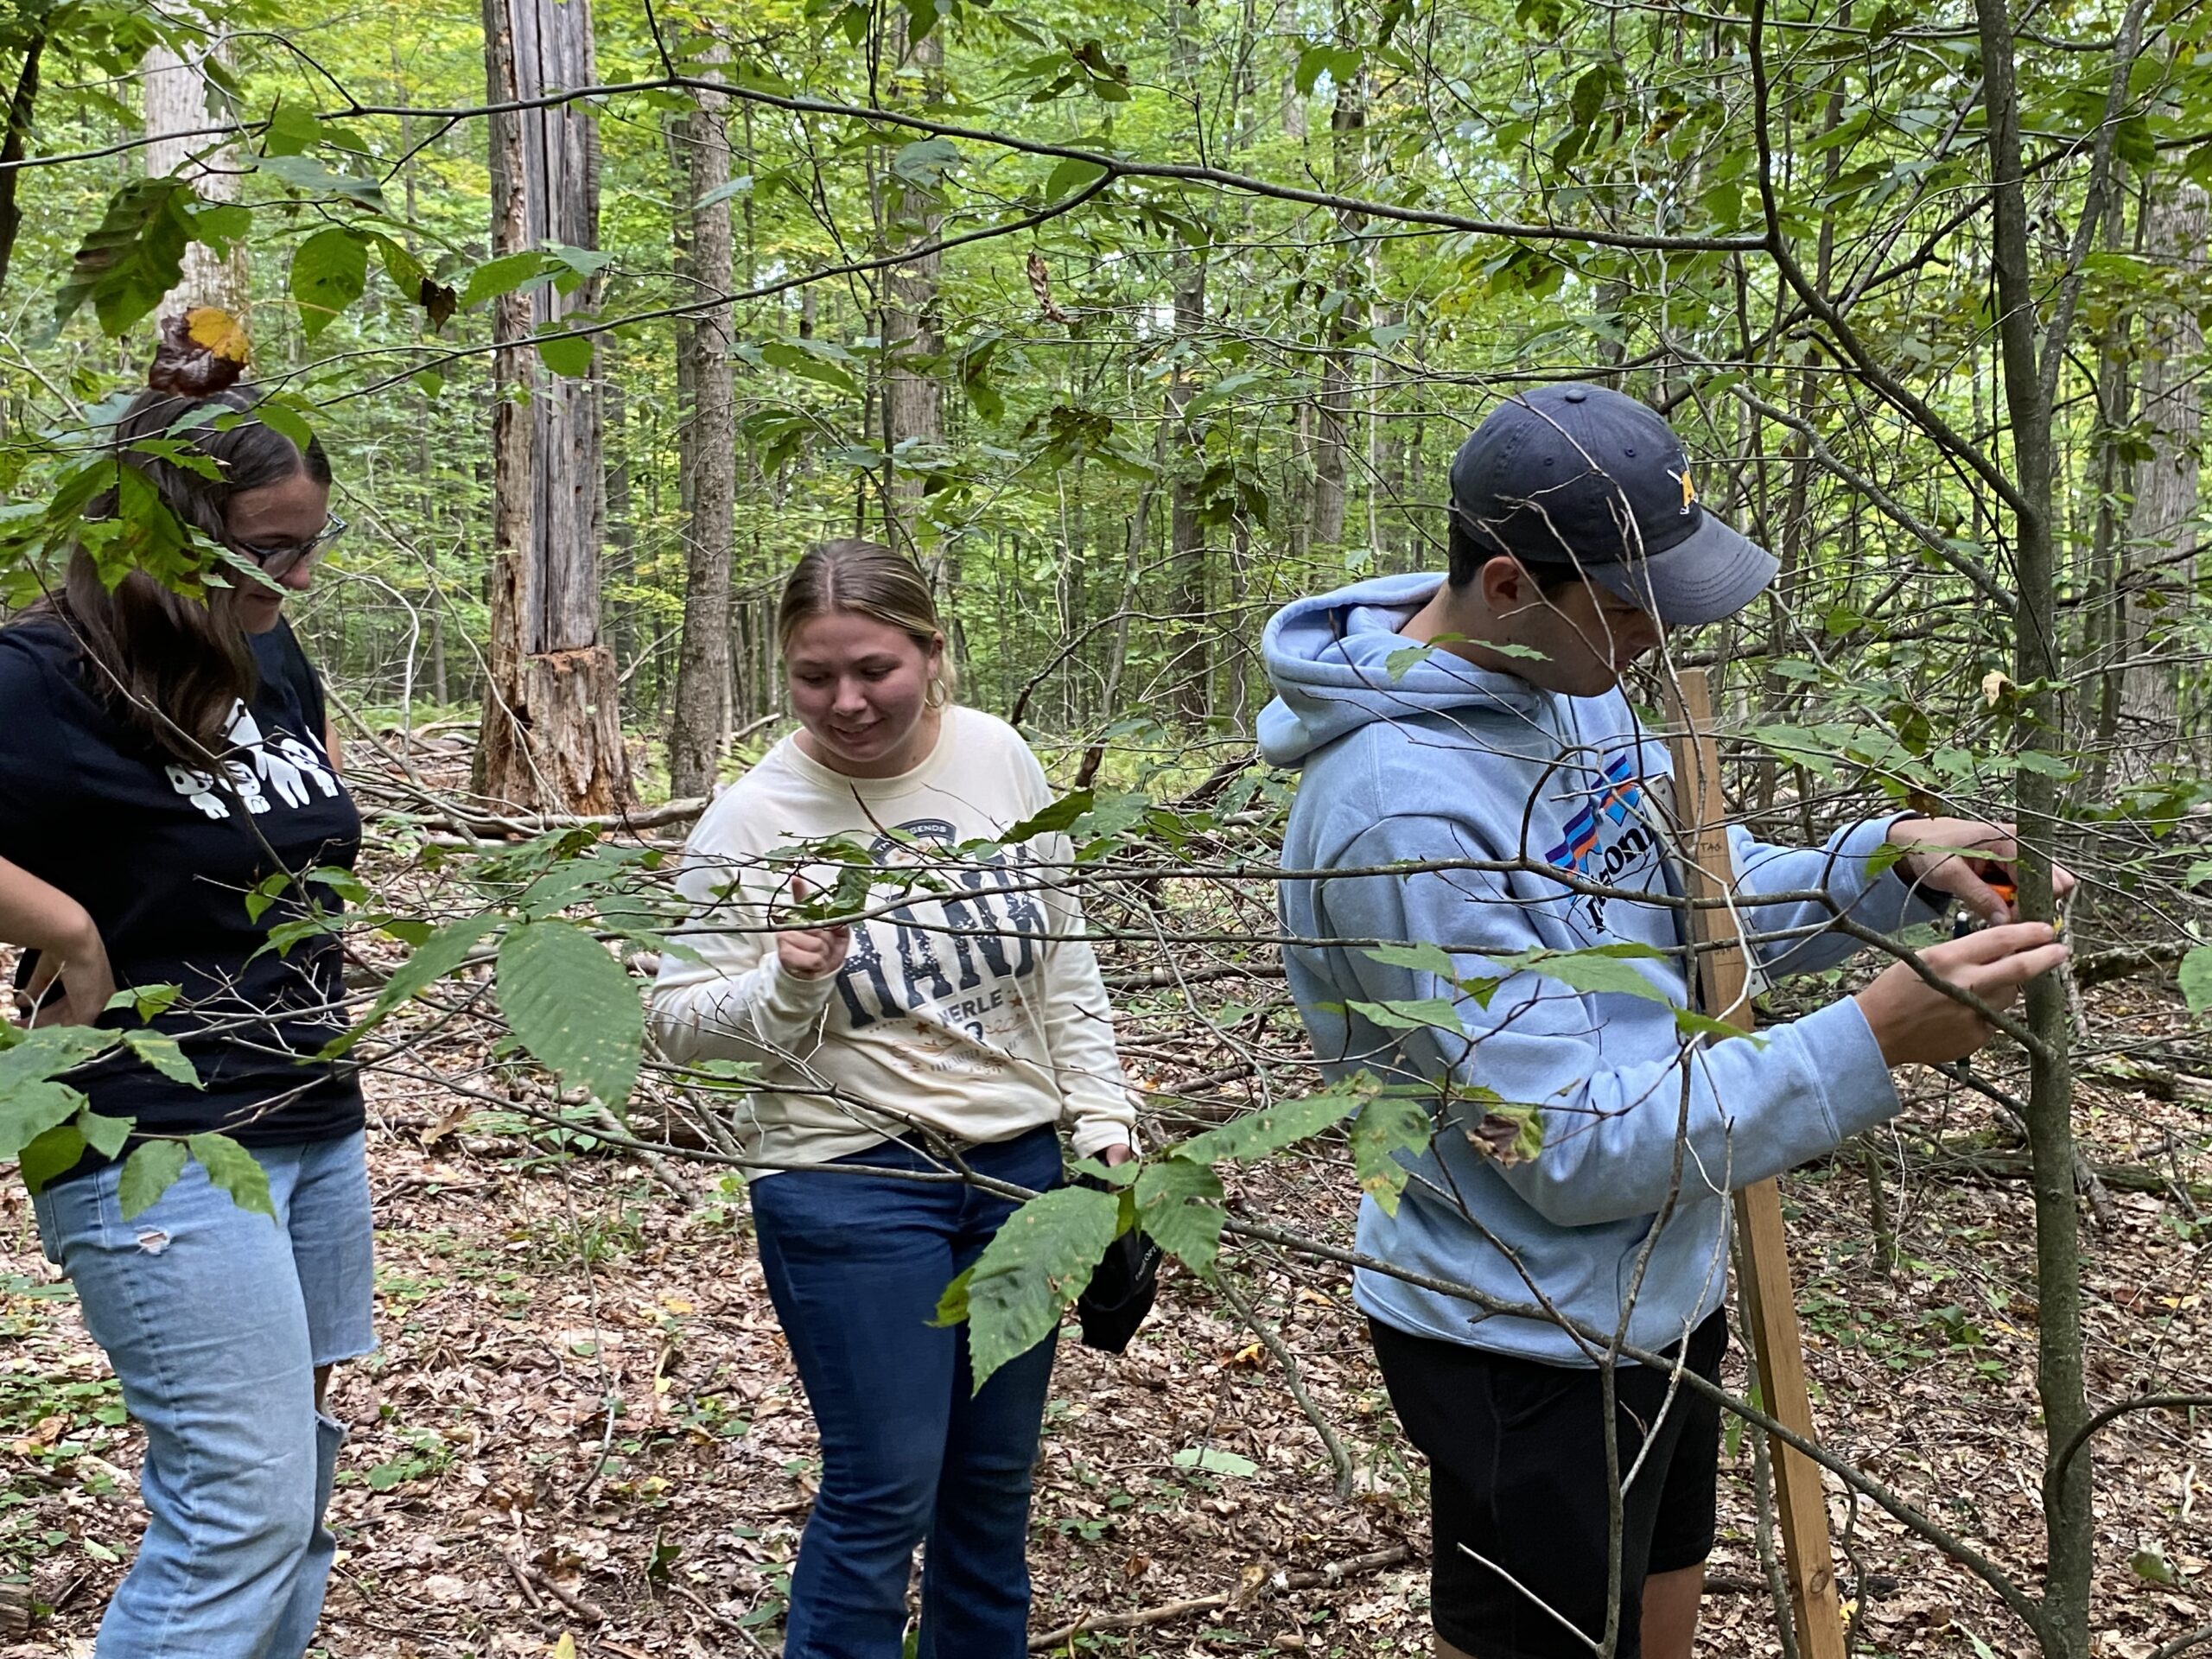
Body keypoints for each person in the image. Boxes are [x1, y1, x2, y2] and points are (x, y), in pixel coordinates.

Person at [1259, 383, 2071, 1659]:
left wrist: (1879, 863)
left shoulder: (1566, 682)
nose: (1658, 636)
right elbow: (1566, 1150)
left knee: (1659, 1612)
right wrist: (1867, 1040)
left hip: (1657, 1289)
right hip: (1519, 1328)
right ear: (1514, 586)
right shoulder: (1396, 815)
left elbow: (1679, 899)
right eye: (1635, 607)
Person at [651, 538, 1136, 1659]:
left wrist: (1106, 1131)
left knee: (992, 1493)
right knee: (884, 1489)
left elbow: (1062, 961)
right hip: (844, 1179)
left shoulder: (997, 758)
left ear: (932, 650)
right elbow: (673, 1027)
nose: (847, 702)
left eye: (875, 668)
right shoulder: (756, 818)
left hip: (1015, 1169)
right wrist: (788, 978)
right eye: (814, 677)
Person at [0, 314, 369, 1657]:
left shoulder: (269, 651)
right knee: (239, 1512)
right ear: (163, 530)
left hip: (309, 1111)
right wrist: (70, 933)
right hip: (147, 1129)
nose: (300, 577)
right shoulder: (44, 676)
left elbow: (306, 827)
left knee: (301, 1495)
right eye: (269, 549)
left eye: (310, 543)